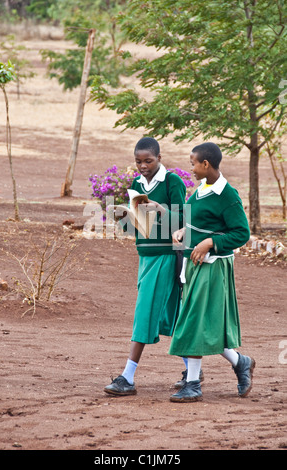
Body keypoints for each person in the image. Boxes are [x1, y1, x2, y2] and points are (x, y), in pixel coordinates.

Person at [169, 142, 255, 402]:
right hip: (195, 265)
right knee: (202, 323)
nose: (190, 167)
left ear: (206, 164)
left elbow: (241, 233)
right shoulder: (202, 189)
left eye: (193, 163)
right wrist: (186, 231)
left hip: (213, 267)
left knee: (195, 321)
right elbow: (198, 219)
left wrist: (210, 243)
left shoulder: (227, 195)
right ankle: (240, 362)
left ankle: (193, 384)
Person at [104, 136, 189, 396]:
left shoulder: (172, 182)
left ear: (159, 158)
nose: (143, 166)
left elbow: (184, 222)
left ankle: (127, 377)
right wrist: (122, 218)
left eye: (148, 160)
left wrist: (160, 209)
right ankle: (195, 370)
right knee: (172, 316)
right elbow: (137, 229)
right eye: (138, 161)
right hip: (146, 257)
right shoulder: (137, 184)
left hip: (166, 256)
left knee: (145, 313)